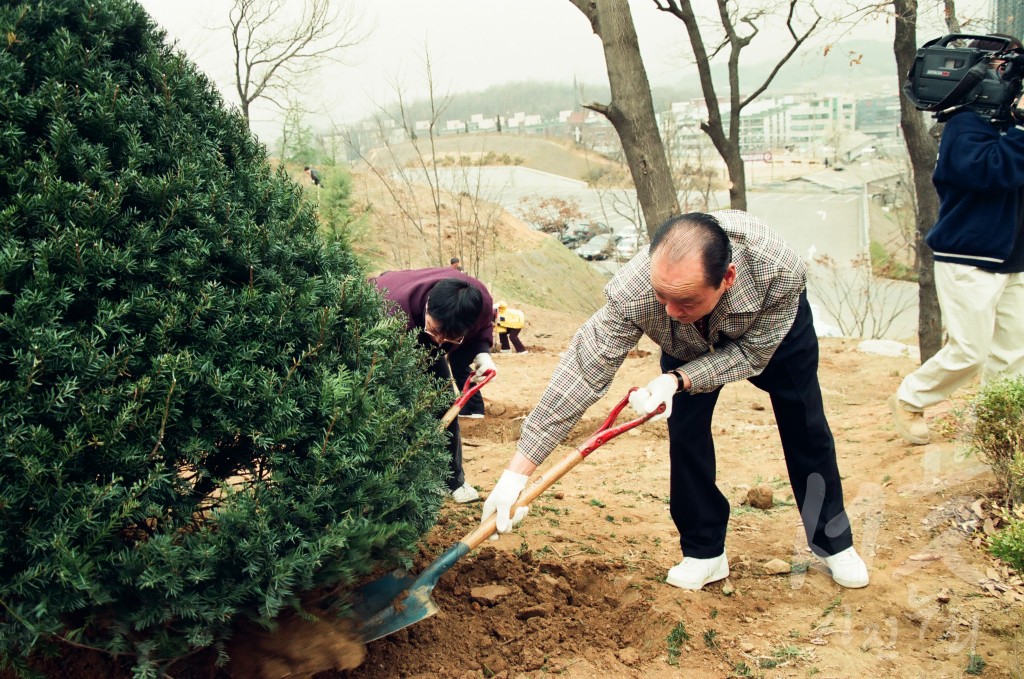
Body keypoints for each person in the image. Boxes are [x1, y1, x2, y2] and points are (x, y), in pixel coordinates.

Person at [482, 210, 869, 590]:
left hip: (769, 338)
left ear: (727, 278)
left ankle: (832, 541)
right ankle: (705, 553)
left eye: (684, 301)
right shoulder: (636, 291)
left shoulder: (778, 270)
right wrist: (517, 472)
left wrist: (678, 378)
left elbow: (751, 356)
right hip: (685, 343)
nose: (668, 311)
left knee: (805, 426)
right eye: (661, 297)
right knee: (685, 432)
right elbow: (583, 371)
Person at [889, 35, 1024, 445]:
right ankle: (911, 397)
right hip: (968, 255)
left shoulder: (1008, 125)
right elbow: (992, 171)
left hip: (1013, 256)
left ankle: (996, 426)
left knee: (1012, 355)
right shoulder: (963, 126)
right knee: (970, 351)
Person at [371, 268, 497, 503]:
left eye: (450, 338)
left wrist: (482, 354)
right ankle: (391, 480)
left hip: (421, 336)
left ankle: (453, 481)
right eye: (435, 330)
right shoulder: (391, 309)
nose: (439, 340)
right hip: (387, 337)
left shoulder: (480, 303)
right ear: (428, 307)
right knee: (393, 407)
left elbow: (481, 330)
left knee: (444, 403)